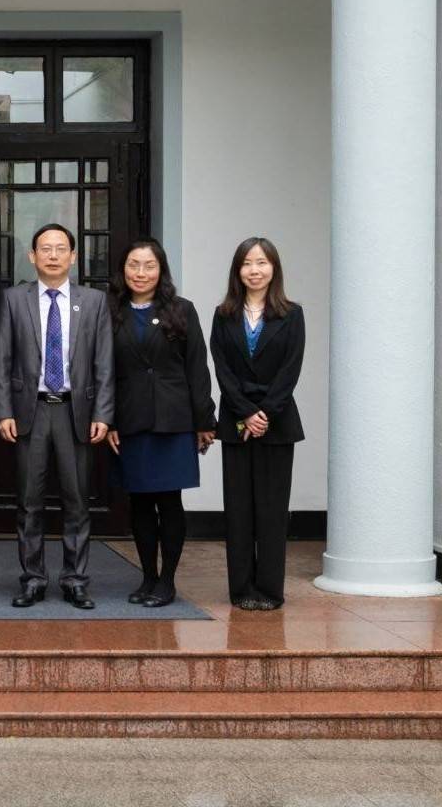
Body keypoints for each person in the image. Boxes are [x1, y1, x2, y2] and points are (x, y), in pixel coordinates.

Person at [0, 223, 113, 610]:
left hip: (76, 412)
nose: (53, 255)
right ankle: (33, 579)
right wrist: (3, 410)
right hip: (31, 410)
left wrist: (103, 413)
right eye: (45, 248)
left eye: (61, 248)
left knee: (76, 501)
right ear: (32, 256)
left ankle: (75, 580)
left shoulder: (94, 301)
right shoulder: (14, 299)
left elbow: (104, 363)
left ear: (73, 256)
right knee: (29, 502)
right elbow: (2, 358)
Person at [108, 238, 216, 609]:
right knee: (139, 502)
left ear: (161, 270)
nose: (141, 273)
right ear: (123, 269)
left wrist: (205, 420)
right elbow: (103, 370)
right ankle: (148, 577)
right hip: (130, 418)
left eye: (149, 265)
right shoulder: (111, 310)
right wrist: (108, 420)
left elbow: (197, 367)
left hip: (174, 420)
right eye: (133, 265)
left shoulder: (181, 309)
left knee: (169, 501)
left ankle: (167, 580)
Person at [210, 236, 306, 611]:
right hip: (236, 423)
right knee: (238, 510)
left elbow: (290, 370)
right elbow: (222, 370)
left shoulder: (292, 314)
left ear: (274, 269)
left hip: (277, 424)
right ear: (238, 271)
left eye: (262, 263)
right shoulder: (223, 315)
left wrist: (264, 412)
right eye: (247, 263)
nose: (255, 270)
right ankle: (241, 589)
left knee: (271, 510)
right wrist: (246, 412)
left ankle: (269, 590)